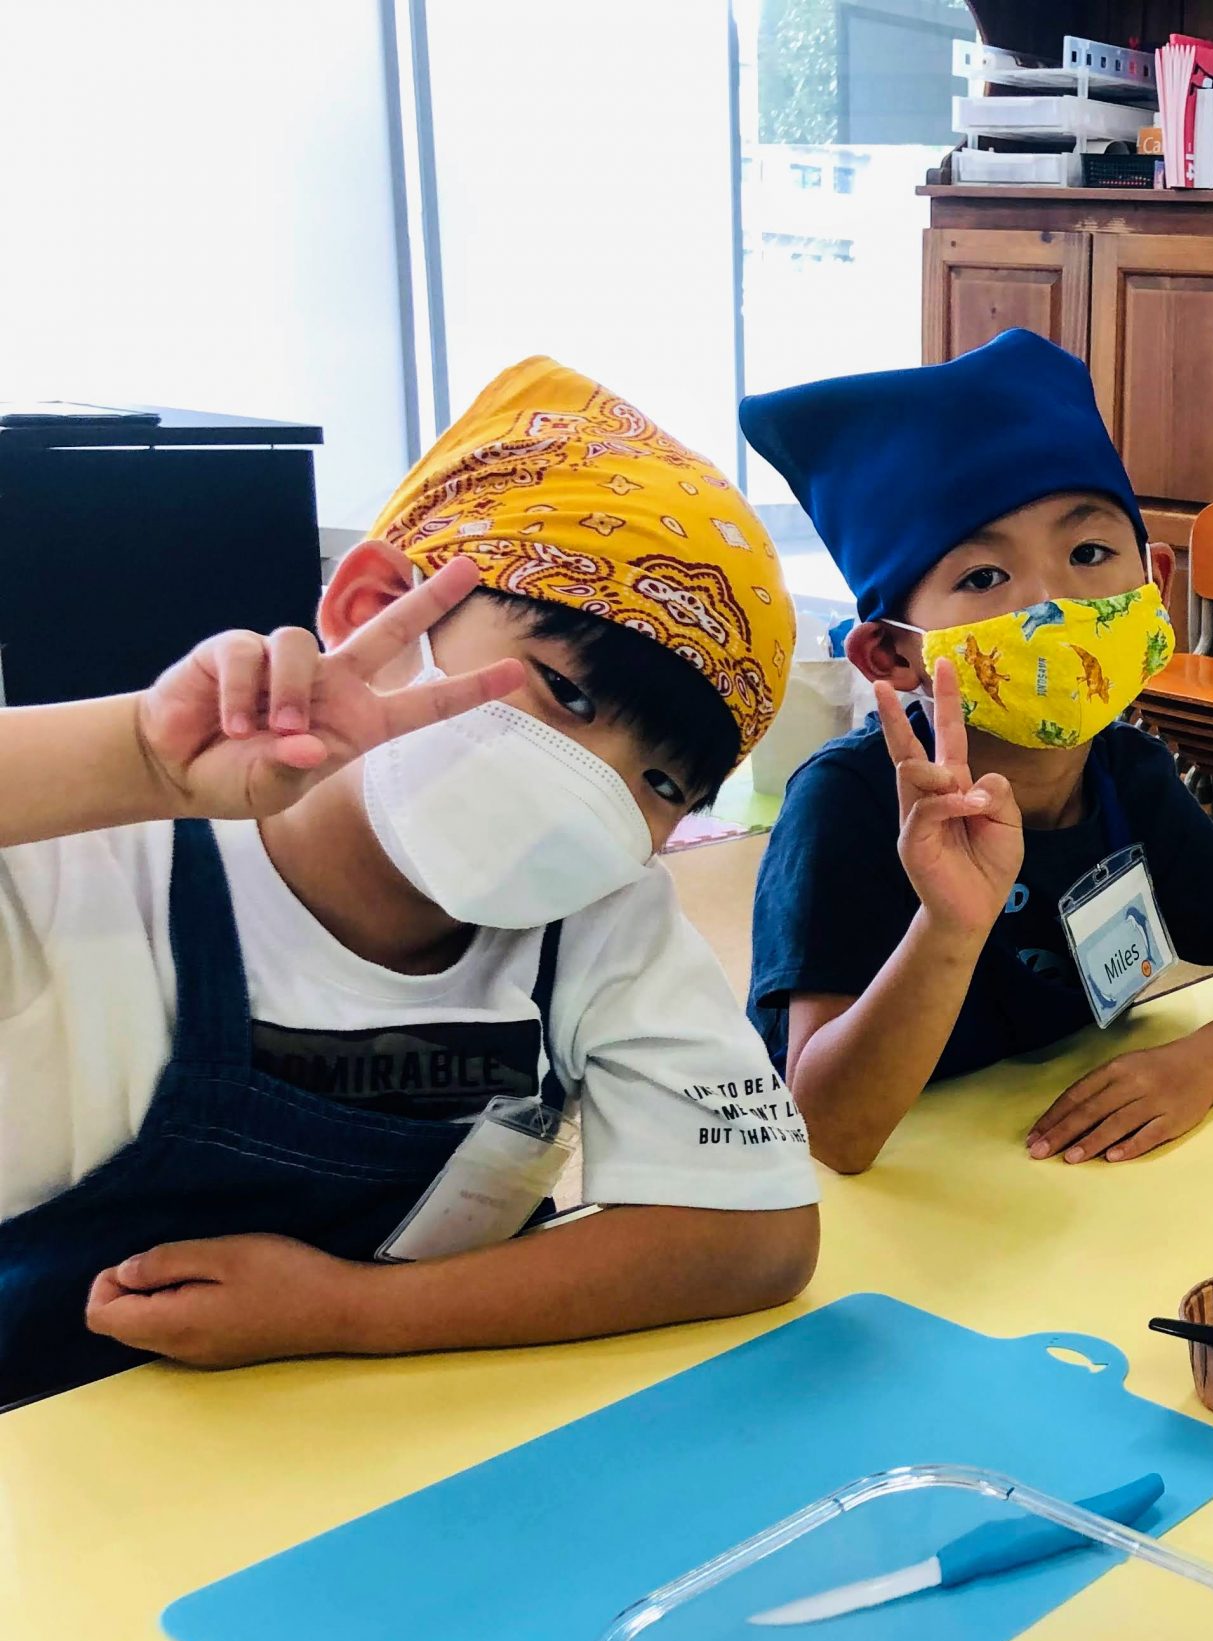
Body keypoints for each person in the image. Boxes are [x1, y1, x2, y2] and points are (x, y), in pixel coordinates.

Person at [0, 358, 821, 1403]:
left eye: (662, 783)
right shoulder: (97, 858)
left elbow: (754, 1234)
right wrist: (134, 762)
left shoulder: (604, 919)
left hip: (415, 1439)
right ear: (375, 607)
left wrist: (346, 1312)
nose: (594, 787)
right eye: (567, 695)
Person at [741, 329, 1213, 1174]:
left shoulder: (1129, 776)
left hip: (1066, 1178)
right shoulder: (849, 804)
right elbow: (828, 1135)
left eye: (1089, 553)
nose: (1053, 604)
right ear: (891, 654)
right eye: (983, 577)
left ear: (1155, 584)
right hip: (901, 1199)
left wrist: (1196, 1068)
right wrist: (948, 927)